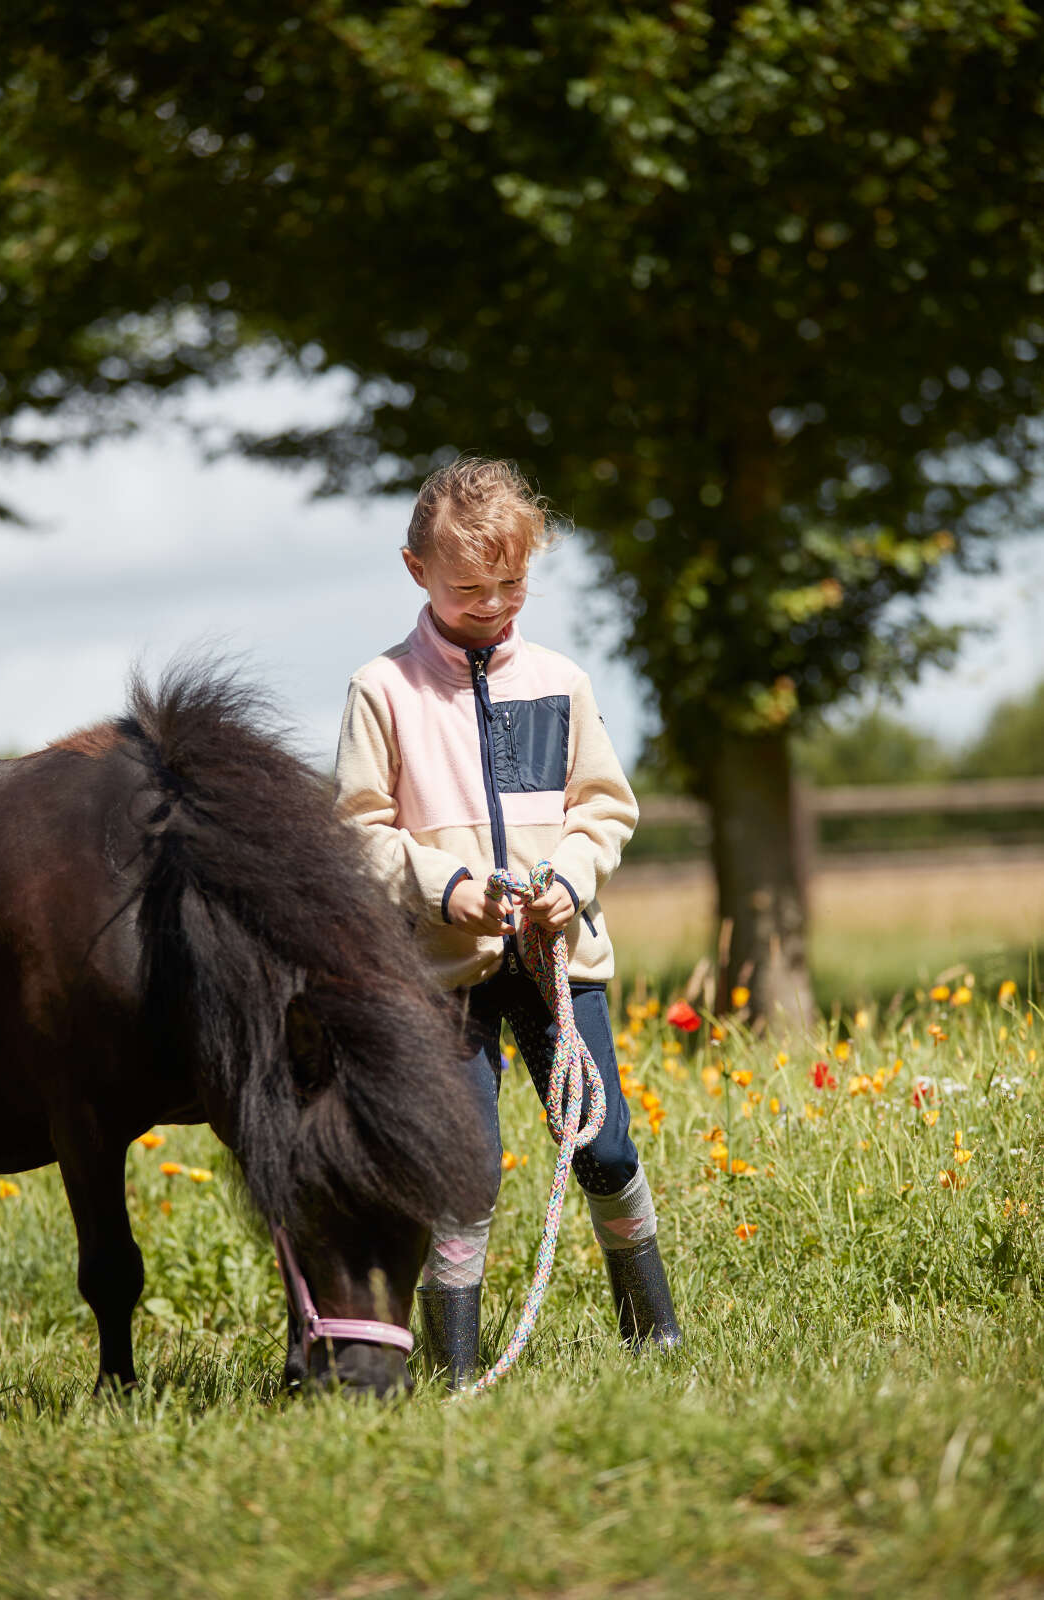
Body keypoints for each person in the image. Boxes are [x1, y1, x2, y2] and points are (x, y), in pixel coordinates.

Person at [333, 456, 680, 1383]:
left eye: (512, 583)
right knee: (467, 1171)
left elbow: (603, 807)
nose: (493, 604)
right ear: (417, 571)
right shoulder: (383, 691)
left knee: (602, 1145)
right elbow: (356, 832)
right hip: (439, 977)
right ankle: (454, 1365)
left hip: (559, 959)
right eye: (469, 588)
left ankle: (654, 1333)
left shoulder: (560, 682)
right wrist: (447, 888)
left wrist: (569, 875)